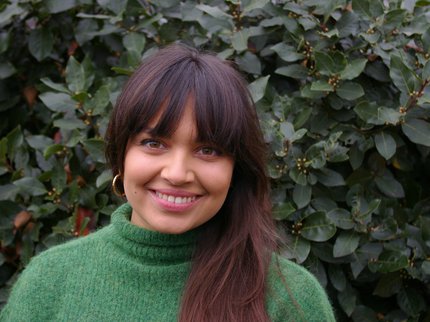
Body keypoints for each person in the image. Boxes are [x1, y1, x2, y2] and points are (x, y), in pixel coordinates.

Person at [0, 44, 336, 322]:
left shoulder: (289, 300)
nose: (177, 173)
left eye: (208, 149)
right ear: (121, 155)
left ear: (237, 169)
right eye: (154, 143)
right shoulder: (50, 283)